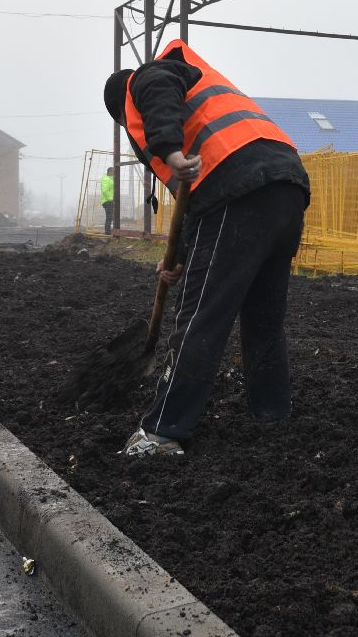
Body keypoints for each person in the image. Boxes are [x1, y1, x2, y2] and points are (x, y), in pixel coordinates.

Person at [102, 39, 310, 457]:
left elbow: (158, 84)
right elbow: (197, 203)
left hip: (240, 189)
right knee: (263, 317)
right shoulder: (203, 107)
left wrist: (169, 150)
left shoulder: (148, 78)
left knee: (201, 316)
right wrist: (178, 259)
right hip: (286, 184)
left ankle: (162, 432)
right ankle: (273, 413)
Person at [100, 166, 117, 235]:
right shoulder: (106, 179)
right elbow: (105, 191)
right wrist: (111, 199)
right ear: (110, 172)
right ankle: (107, 232)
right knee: (109, 217)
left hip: (110, 200)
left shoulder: (111, 179)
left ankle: (110, 231)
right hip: (108, 201)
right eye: (113, 171)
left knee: (111, 216)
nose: (115, 173)